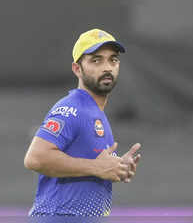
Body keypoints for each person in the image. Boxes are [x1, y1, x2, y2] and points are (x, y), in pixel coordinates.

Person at [24, 28, 141, 217]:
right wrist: (97, 167)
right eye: (96, 60)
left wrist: (118, 166)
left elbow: (94, 165)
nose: (107, 67)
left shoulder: (95, 113)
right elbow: (35, 158)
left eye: (113, 59)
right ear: (77, 69)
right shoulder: (72, 108)